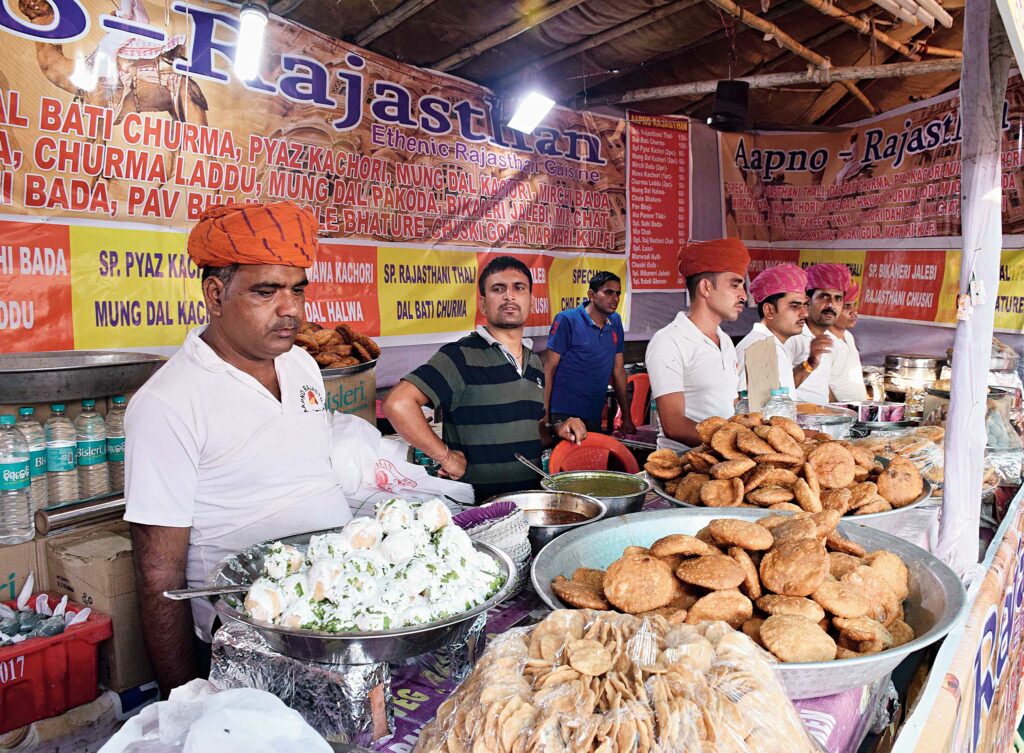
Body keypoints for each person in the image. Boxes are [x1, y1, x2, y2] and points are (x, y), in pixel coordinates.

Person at [123, 202, 353, 696]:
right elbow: (158, 572)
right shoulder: (167, 404)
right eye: (266, 292)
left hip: (343, 608)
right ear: (215, 294)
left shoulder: (302, 368)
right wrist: (184, 697)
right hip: (249, 641)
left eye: (297, 290)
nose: (290, 309)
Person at [383, 256, 587, 502]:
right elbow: (398, 404)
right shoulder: (459, 356)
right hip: (475, 509)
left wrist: (558, 429)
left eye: (518, 288)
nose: (509, 296)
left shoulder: (534, 363)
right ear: (482, 304)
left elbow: (535, 433)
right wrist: (447, 457)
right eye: (498, 289)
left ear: (531, 301)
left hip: (529, 503)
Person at [646, 238, 750, 450]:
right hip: (683, 467)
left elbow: (730, 405)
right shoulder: (669, 341)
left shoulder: (726, 341)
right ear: (706, 287)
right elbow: (673, 425)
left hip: (722, 462)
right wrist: (734, 445)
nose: (744, 296)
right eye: (734, 285)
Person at [544, 271, 634, 435]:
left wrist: (627, 417)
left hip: (593, 414)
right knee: (565, 460)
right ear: (592, 295)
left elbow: (619, 371)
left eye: (618, 293)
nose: (615, 298)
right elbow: (549, 369)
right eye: (608, 292)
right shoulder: (567, 320)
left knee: (592, 460)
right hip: (563, 413)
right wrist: (545, 417)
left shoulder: (615, 322)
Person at [735, 264, 809, 394]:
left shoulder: (771, 345)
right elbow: (754, 412)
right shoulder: (761, 349)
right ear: (769, 311)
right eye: (794, 306)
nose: (804, 313)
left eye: (805, 305)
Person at [785, 263, 852, 405]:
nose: (831, 304)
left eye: (838, 298)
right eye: (824, 296)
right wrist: (809, 364)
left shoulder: (828, 339)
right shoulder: (791, 336)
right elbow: (777, 389)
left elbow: (822, 390)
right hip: (794, 422)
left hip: (821, 419)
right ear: (808, 302)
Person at [829, 280, 868, 401]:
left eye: (854, 305)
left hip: (854, 413)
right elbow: (820, 386)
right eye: (847, 307)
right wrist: (837, 413)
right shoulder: (822, 341)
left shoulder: (849, 336)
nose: (854, 312)